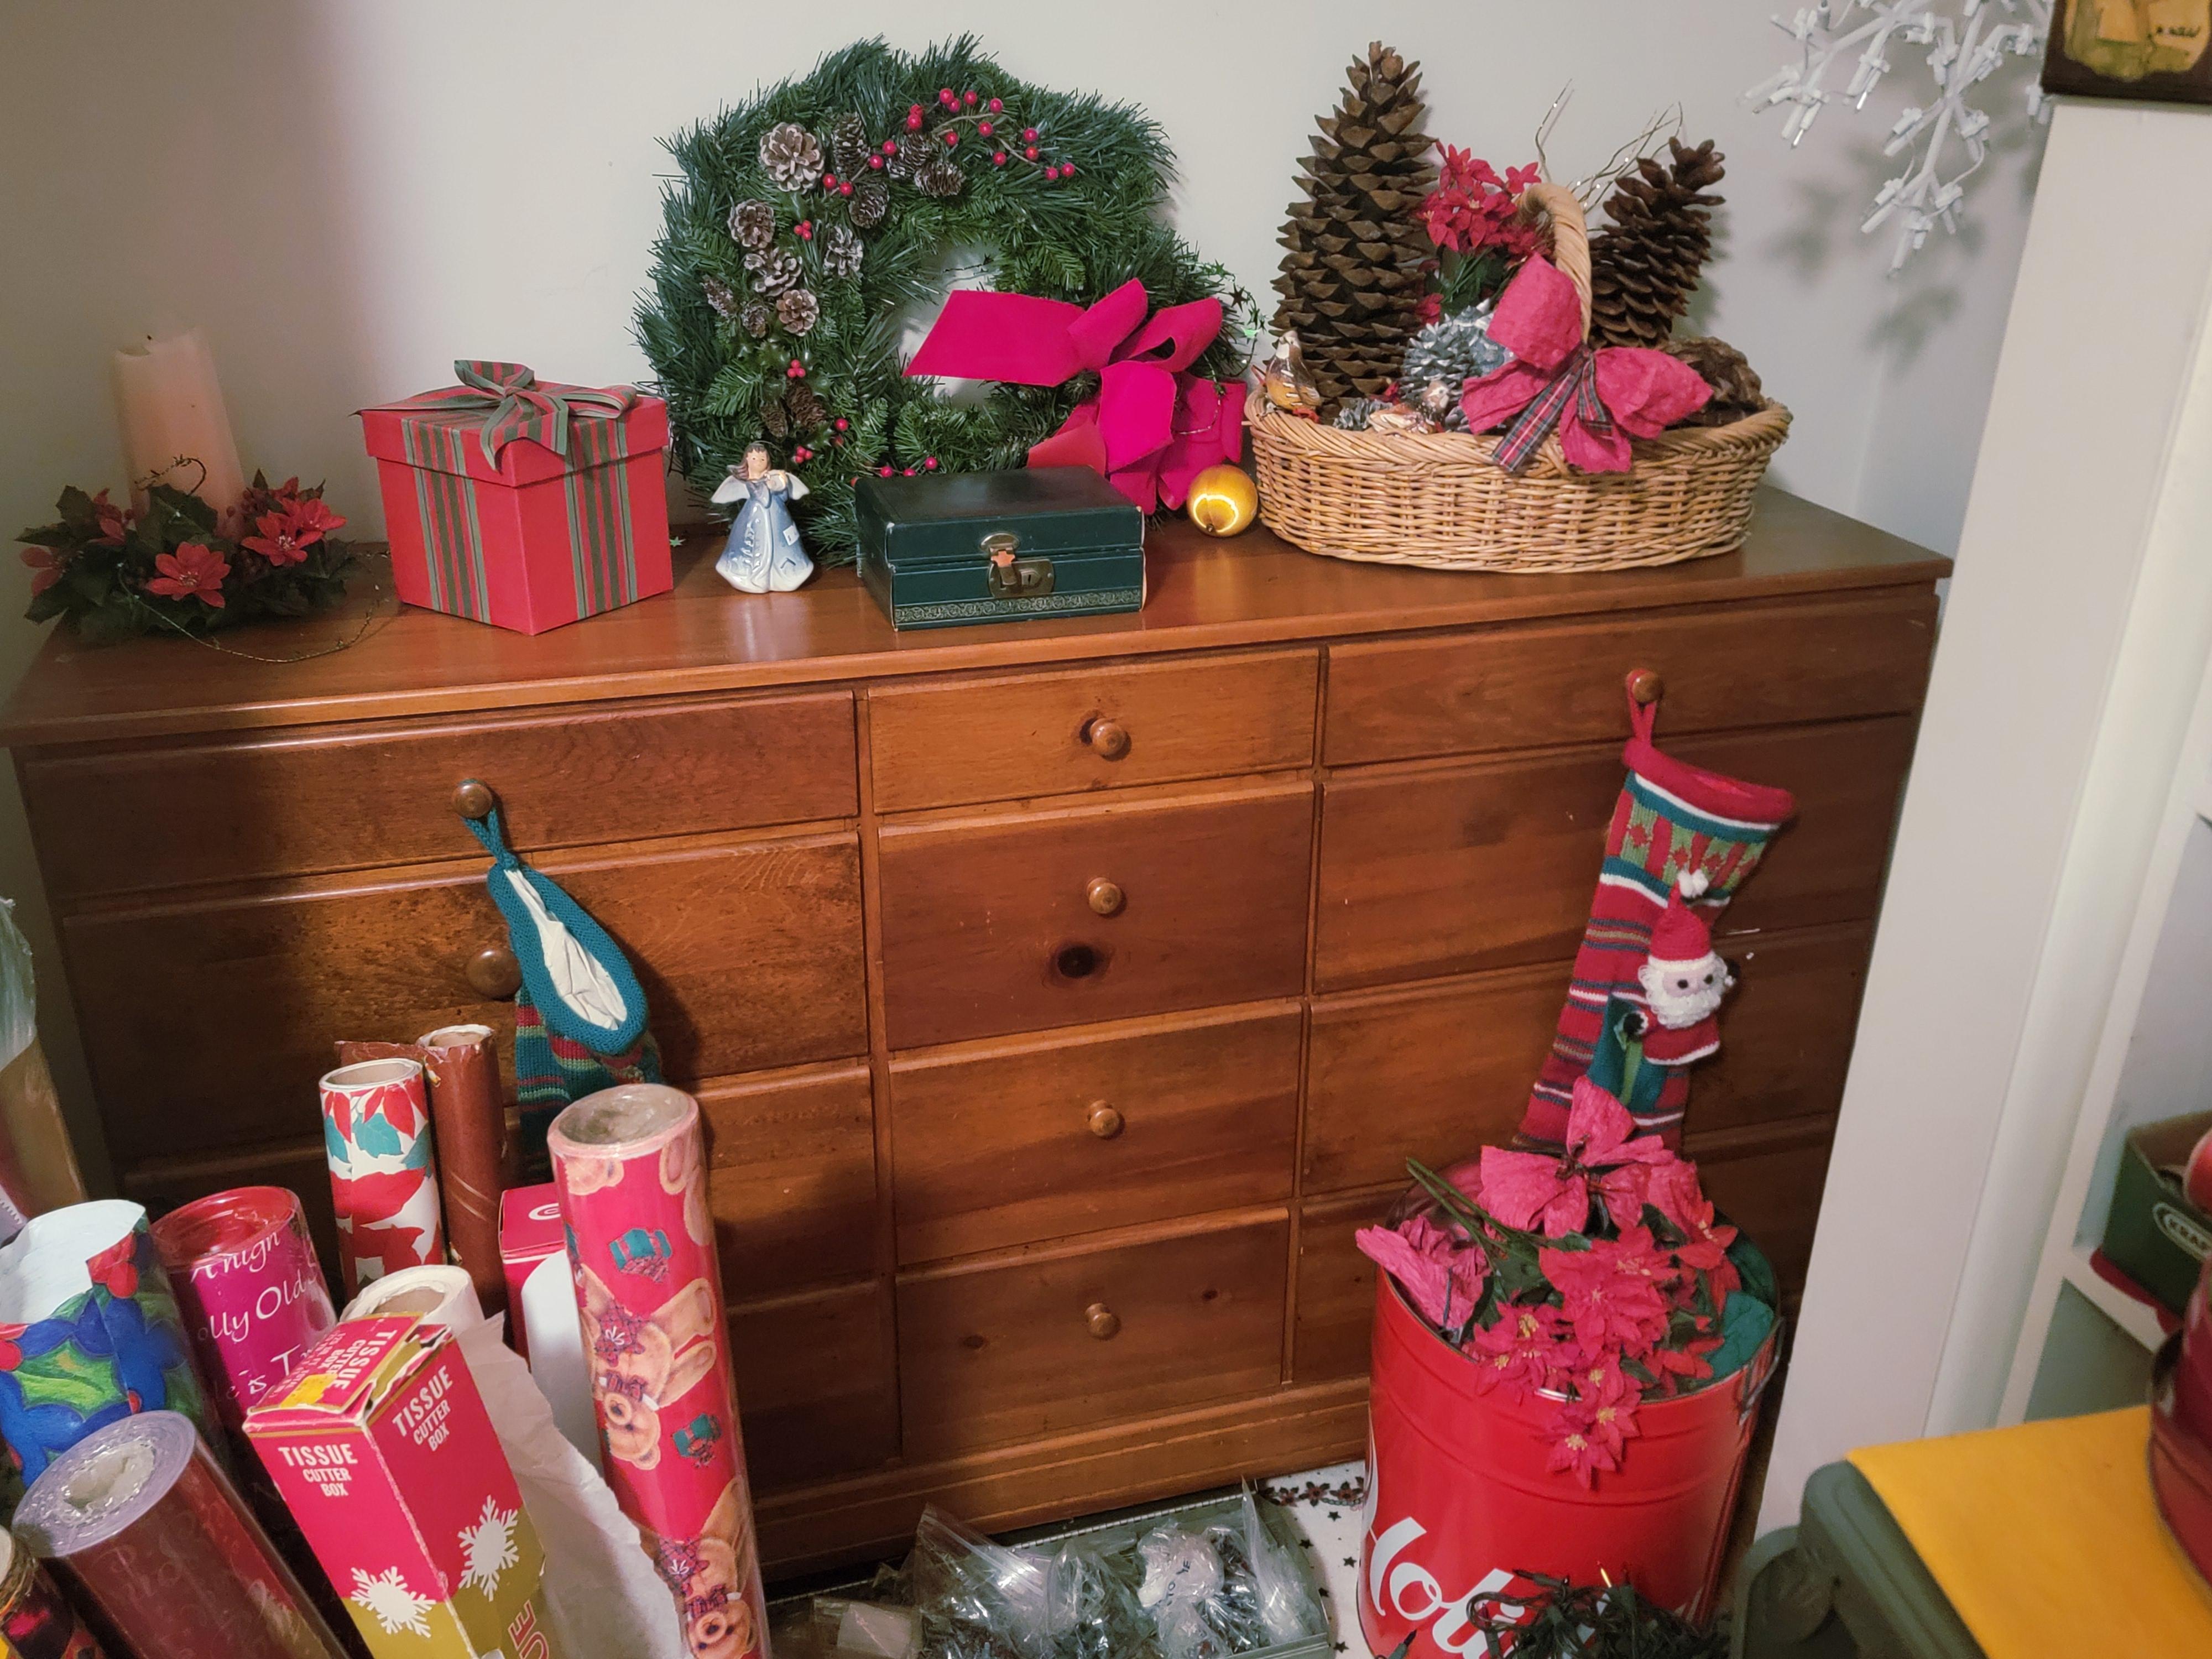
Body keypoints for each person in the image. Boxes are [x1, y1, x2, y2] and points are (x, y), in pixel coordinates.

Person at [709, 443, 812, 593]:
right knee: (754, 545)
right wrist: (770, 484)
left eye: (763, 459)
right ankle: (754, 577)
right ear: (747, 460)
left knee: (782, 544)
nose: (758, 462)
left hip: (778, 517)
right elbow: (762, 498)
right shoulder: (751, 483)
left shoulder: (773, 476)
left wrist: (780, 483)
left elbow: (784, 497)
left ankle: (785, 576)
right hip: (755, 519)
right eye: (754, 458)